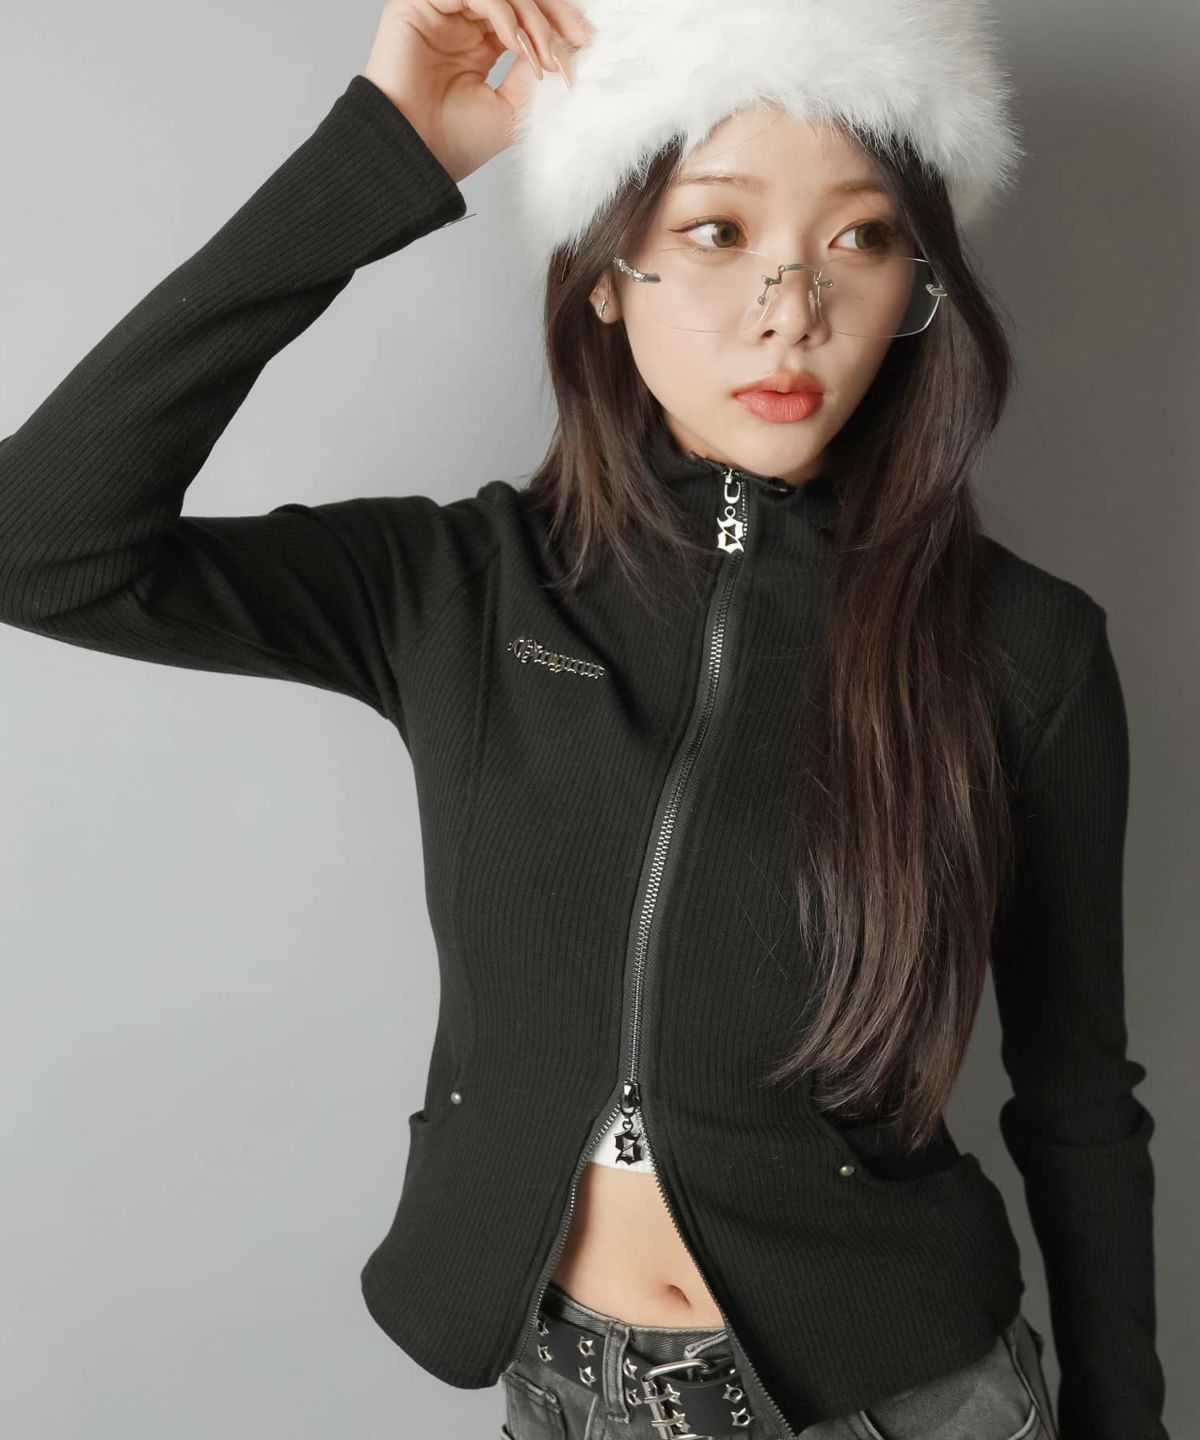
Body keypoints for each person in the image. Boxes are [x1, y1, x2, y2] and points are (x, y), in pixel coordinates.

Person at [0, 2, 1168, 1438]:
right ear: (606, 274)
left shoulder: (1022, 647)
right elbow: (38, 546)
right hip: (563, 1392)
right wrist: (384, 150)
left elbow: (1078, 1097)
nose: (790, 309)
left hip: (903, 1401)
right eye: (718, 231)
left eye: (860, 238)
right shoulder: (461, 585)